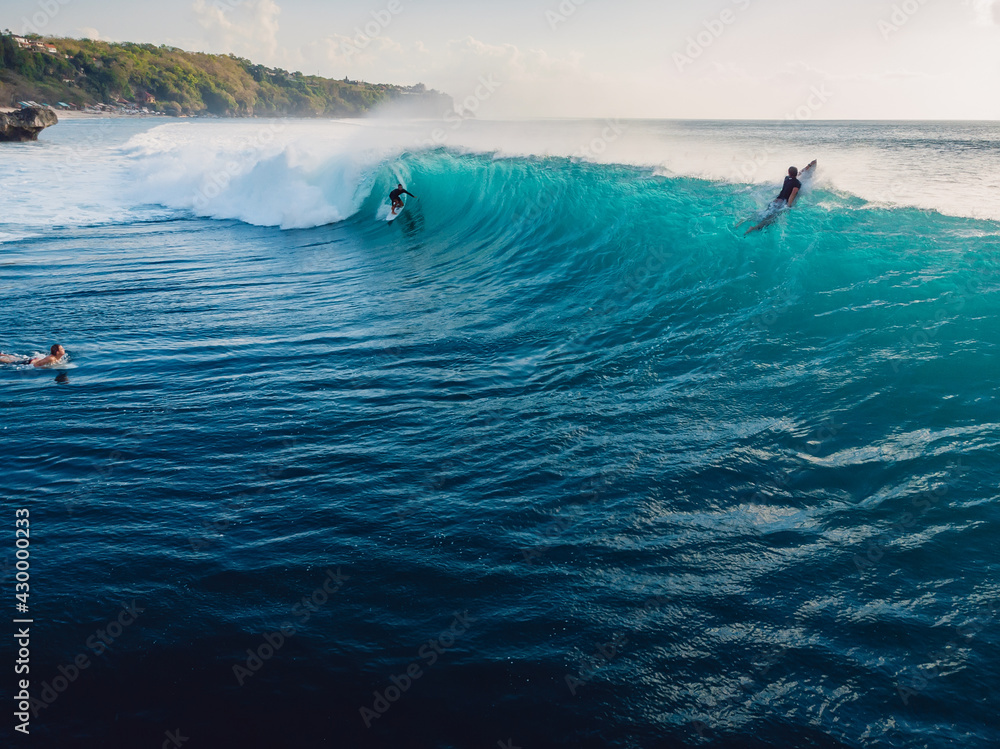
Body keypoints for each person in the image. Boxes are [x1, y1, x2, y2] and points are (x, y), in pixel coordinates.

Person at [745, 166, 802, 235]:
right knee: (770, 220)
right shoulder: (797, 183)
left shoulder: (786, 178)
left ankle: (745, 220)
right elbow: (792, 194)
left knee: (764, 213)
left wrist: (809, 166)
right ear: (796, 173)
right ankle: (753, 228)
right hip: (781, 203)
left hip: (776, 201)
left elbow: (795, 176)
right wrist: (788, 206)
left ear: (789, 173)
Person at [0, 344, 66, 367]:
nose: (64, 349)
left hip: (34, 359)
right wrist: (46, 368)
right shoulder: (51, 358)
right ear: (57, 352)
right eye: (62, 349)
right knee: (10, 361)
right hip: (29, 363)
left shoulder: (57, 357)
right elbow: (36, 365)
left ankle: (2, 354)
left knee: (15, 358)